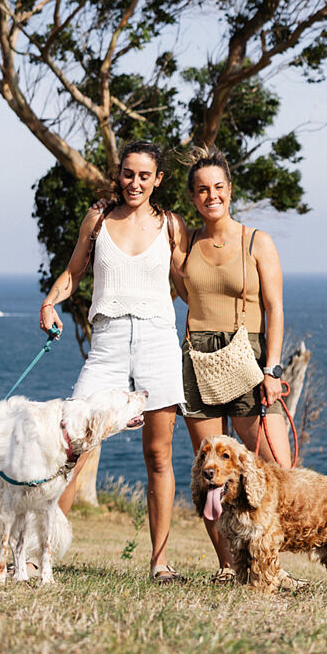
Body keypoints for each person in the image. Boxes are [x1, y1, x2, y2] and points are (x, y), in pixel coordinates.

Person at [40, 142, 190, 582]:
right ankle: (40, 553)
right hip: (106, 341)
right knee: (74, 447)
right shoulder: (98, 218)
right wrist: (50, 305)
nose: (135, 183)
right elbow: (73, 273)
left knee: (158, 455)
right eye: (128, 174)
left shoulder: (172, 225)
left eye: (145, 176)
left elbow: (186, 282)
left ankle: (159, 563)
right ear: (118, 174)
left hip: (158, 340)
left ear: (158, 179)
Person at [180, 149, 291, 581]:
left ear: (230, 190)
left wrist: (273, 370)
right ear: (193, 197)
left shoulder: (256, 241)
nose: (212, 195)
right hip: (198, 359)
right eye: (203, 189)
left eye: (219, 187)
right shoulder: (185, 242)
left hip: (249, 359)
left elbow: (275, 307)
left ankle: (270, 567)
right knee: (210, 473)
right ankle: (230, 567)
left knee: (273, 471)